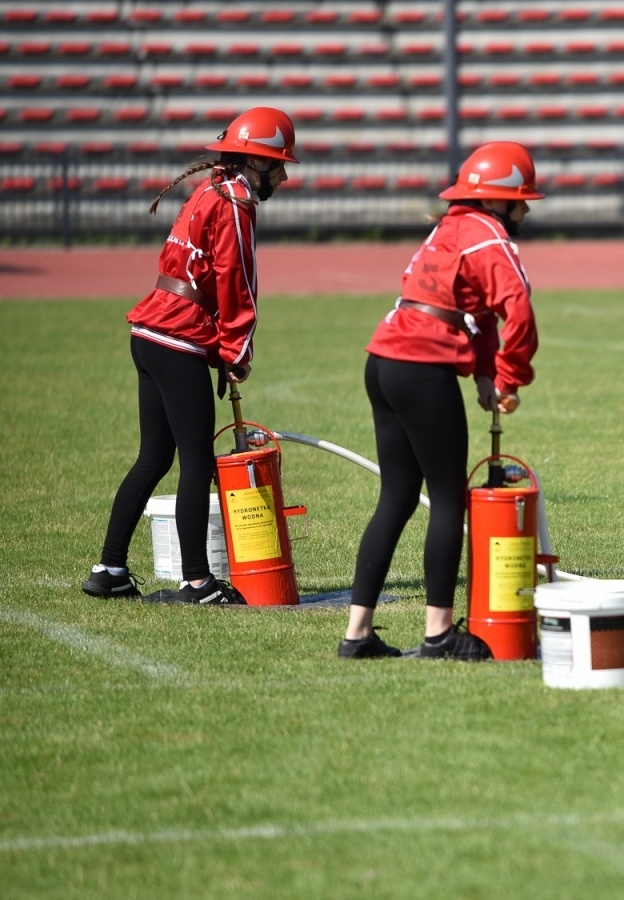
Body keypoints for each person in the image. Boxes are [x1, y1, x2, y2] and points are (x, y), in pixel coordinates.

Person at [83, 107, 299, 606]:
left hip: (150, 333)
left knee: (154, 456)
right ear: (258, 163)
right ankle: (198, 582)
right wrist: (236, 352)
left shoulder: (210, 187)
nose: (284, 176)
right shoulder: (236, 198)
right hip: (178, 339)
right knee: (197, 460)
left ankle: (110, 568)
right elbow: (237, 281)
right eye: (280, 165)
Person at [339, 142, 541, 660]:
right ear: (501, 201)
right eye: (522, 201)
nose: (525, 212)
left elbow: (470, 308)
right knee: (449, 499)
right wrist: (510, 378)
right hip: (423, 366)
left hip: (383, 360)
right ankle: (439, 634)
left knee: (398, 496)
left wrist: (481, 375)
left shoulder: (447, 228)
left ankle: (356, 635)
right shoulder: (490, 235)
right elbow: (516, 306)